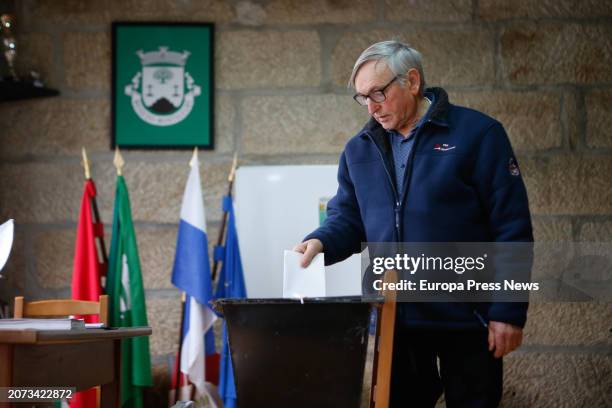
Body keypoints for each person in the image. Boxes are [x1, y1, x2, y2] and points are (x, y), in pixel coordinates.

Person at [293, 40, 533, 407]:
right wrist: (321, 242)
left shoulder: (478, 134)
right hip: (397, 319)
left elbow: (512, 228)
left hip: (469, 318)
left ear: (413, 81)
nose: (371, 107)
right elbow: (348, 216)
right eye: (361, 98)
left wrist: (508, 310)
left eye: (378, 93)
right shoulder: (359, 149)